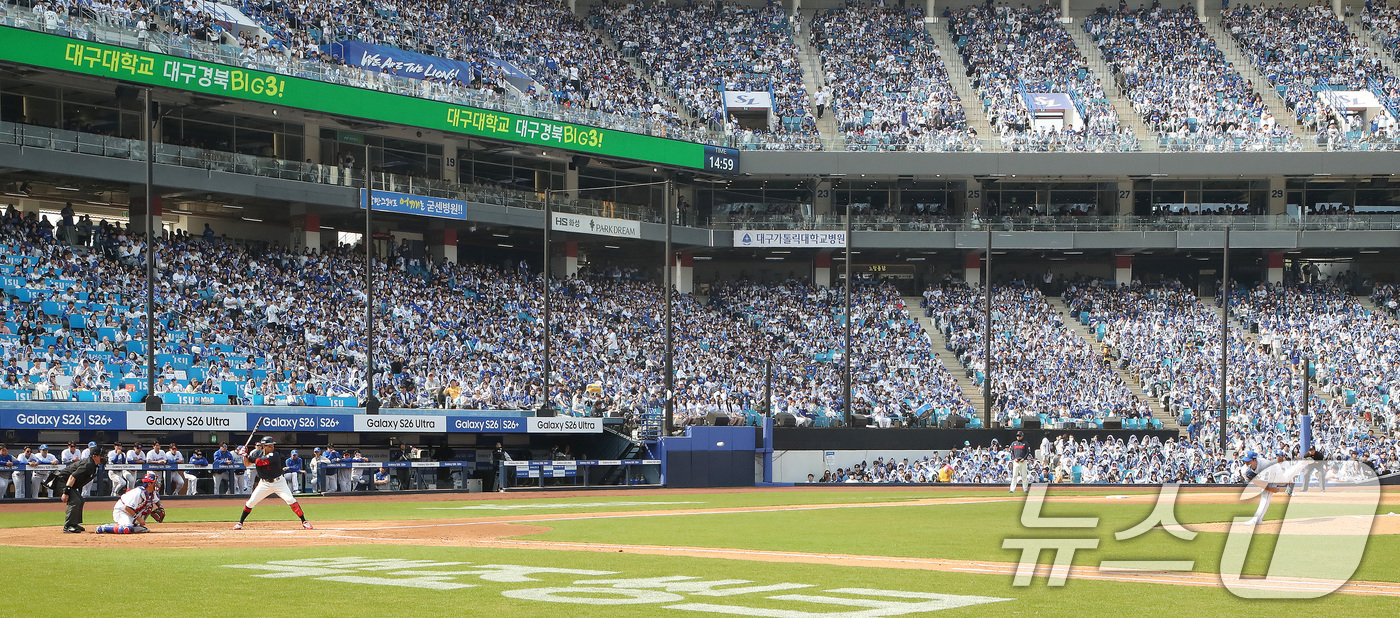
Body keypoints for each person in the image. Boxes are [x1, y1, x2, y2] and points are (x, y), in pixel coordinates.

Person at [231, 437, 312, 530]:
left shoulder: (275, 454)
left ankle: (304, 521)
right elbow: (246, 464)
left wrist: (247, 455)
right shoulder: (257, 454)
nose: (272, 447)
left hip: (279, 482)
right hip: (264, 484)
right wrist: (244, 456)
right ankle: (240, 523)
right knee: (251, 502)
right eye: (269, 446)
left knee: (290, 499)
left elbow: (261, 462)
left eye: (272, 445)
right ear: (264, 446)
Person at [56, 447, 104, 533]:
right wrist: (66, 492)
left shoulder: (94, 465)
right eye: (101, 456)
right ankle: (68, 526)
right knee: (75, 501)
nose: (103, 458)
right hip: (62, 481)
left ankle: (74, 524)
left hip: (70, 483)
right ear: (94, 456)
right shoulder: (88, 465)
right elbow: (72, 476)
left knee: (81, 500)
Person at [96, 473, 162, 534]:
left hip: (131, 512)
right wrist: (139, 519)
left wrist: (161, 507)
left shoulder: (152, 493)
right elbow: (127, 508)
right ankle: (104, 528)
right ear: (149, 484)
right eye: (154, 483)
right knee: (125, 529)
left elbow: (157, 501)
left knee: (149, 506)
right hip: (121, 511)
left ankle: (134, 526)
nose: (156, 484)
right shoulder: (138, 493)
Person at [1242, 450, 1282, 526]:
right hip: (1265, 476)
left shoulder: (1264, 466)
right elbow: (1255, 481)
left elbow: (1264, 484)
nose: (1246, 463)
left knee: (1265, 494)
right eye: (1245, 461)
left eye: (1248, 461)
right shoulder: (1244, 470)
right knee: (1266, 493)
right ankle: (1258, 520)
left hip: (1276, 472)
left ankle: (1256, 520)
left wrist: (1271, 489)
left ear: (1254, 460)